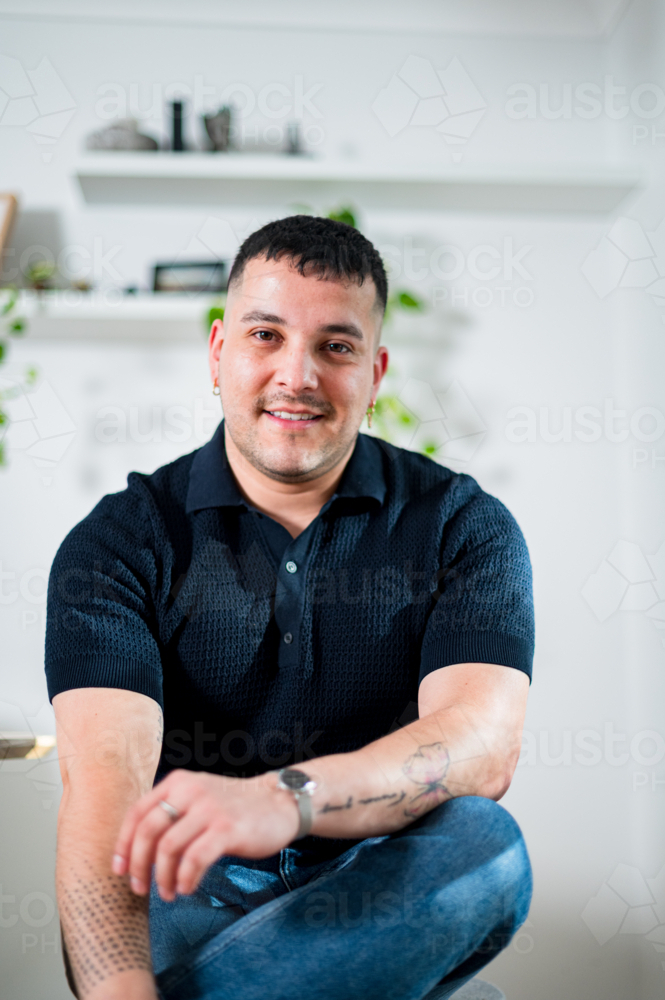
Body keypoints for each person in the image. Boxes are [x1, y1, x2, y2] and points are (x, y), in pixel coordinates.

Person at [45, 215, 534, 1000]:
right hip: (192, 887)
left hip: (373, 878)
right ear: (218, 353)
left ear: (374, 373)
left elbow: (480, 746)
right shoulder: (118, 542)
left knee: (484, 846)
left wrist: (286, 802)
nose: (296, 375)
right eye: (265, 335)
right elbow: (105, 785)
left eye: (334, 347)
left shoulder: (461, 525)